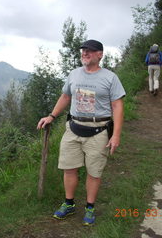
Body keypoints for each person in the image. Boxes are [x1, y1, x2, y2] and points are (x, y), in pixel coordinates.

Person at [37, 39, 126, 226]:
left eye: (90, 51)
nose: (85, 53)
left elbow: (117, 105)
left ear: (100, 54)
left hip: (99, 131)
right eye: (83, 50)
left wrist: (116, 134)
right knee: (69, 169)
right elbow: (65, 96)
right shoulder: (74, 74)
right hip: (73, 128)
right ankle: (69, 204)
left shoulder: (110, 78)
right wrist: (52, 116)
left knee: (94, 172)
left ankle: (90, 207)